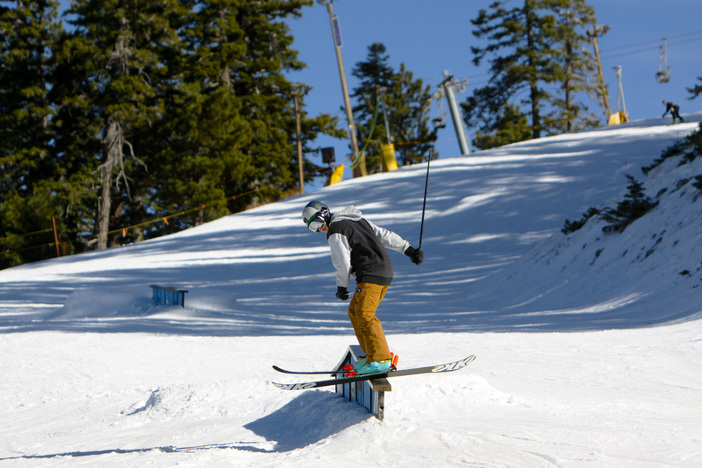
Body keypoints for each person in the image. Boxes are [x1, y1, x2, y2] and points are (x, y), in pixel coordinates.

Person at [302, 200, 424, 375]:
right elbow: (384, 234)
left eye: (316, 223)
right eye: (313, 228)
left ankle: (380, 359)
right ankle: (371, 356)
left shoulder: (336, 231)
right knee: (355, 311)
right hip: (384, 269)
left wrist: (342, 287)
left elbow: (342, 264)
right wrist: (408, 249)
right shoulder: (358, 220)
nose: (318, 229)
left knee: (365, 314)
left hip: (370, 273)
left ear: (324, 214)